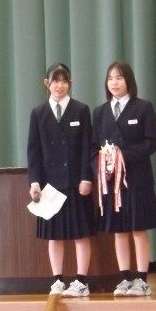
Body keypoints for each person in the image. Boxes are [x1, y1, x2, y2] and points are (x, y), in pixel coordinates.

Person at [92, 61, 156, 297]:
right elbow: (93, 147)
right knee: (119, 231)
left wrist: (123, 156)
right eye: (110, 78)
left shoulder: (143, 108)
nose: (114, 82)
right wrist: (101, 167)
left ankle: (142, 279)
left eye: (119, 78)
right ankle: (124, 278)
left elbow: (152, 142)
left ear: (129, 81)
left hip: (137, 179)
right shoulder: (100, 112)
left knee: (138, 229)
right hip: (112, 182)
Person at [27, 63, 96, 297]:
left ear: (70, 83)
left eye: (64, 81)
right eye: (55, 81)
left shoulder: (81, 110)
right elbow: (33, 151)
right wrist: (34, 182)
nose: (60, 85)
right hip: (50, 184)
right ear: (46, 83)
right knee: (54, 236)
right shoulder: (38, 113)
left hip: (76, 182)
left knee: (80, 233)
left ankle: (81, 281)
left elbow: (87, 147)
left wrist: (87, 178)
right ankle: (57, 280)